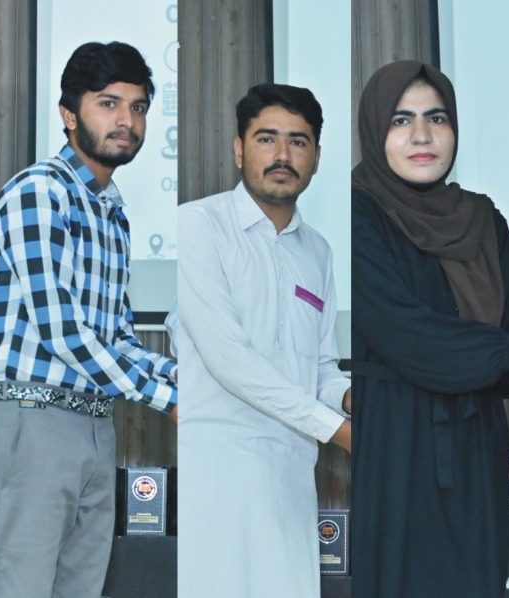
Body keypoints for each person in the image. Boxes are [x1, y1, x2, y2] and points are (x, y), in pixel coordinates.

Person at [349, 60, 509, 598]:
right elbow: (409, 336)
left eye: (436, 118)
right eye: (401, 120)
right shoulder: (355, 216)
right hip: (398, 445)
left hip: (476, 447)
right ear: (375, 130)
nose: (422, 135)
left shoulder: (482, 219)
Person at [0, 41, 176, 598]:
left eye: (138, 107)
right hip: (35, 420)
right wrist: (167, 400)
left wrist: (182, 379)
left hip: (97, 421)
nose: (126, 121)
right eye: (108, 104)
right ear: (69, 115)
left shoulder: (111, 210)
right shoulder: (40, 192)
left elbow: (115, 338)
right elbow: (62, 330)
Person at [174, 83, 351, 598]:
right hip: (216, 473)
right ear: (239, 149)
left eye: (298, 142)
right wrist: (339, 430)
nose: (282, 155)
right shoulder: (197, 226)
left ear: (316, 157)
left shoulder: (318, 251)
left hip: (291, 475)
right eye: (266, 138)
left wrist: (349, 399)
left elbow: (320, 366)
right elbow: (228, 357)